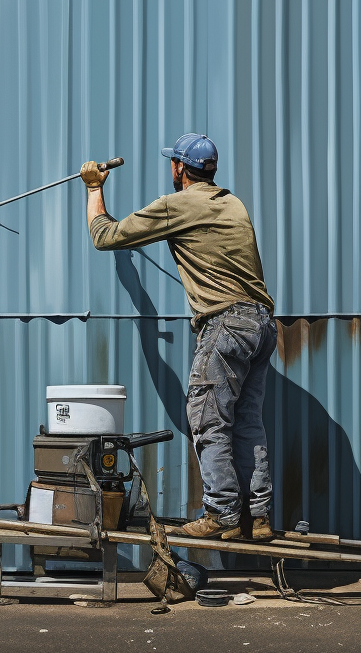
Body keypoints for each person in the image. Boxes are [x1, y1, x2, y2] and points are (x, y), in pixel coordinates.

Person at [80, 134, 277, 541]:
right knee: (247, 423)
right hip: (262, 325)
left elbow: (105, 236)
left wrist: (94, 188)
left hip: (226, 325)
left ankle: (221, 514)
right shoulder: (233, 203)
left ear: (179, 169)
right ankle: (257, 517)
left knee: (207, 419)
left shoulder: (178, 205)